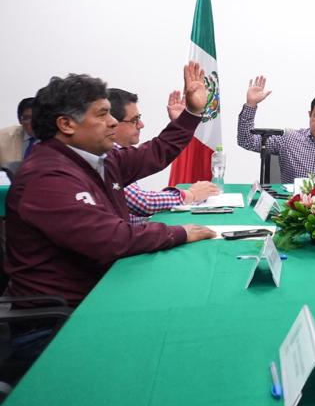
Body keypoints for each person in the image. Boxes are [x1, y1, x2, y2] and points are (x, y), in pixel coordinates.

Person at [4, 63, 217, 307]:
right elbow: (110, 239)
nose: (113, 122)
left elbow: (156, 152)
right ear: (66, 124)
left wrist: (192, 113)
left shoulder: (98, 160)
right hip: (64, 314)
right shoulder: (46, 177)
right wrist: (180, 232)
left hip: (102, 290)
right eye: (102, 114)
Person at [108, 88, 220, 224]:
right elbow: (141, 202)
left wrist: (182, 124)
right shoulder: (104, 157)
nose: (141, 125)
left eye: (139, 118)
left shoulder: (118, 153)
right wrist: (190, 195)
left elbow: (158, 151)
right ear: (111, 123)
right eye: (134, 120)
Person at [237, 75, 315, 181]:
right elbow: (247, 141)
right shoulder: (289, 139)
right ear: (310, 115)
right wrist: (251, 104)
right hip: (290, 200)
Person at [0, 97, 36, 167]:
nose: (33, 123)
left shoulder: (55, 138)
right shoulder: (2, 138)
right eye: (27, 118)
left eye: (37, 117)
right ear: (20, 120)